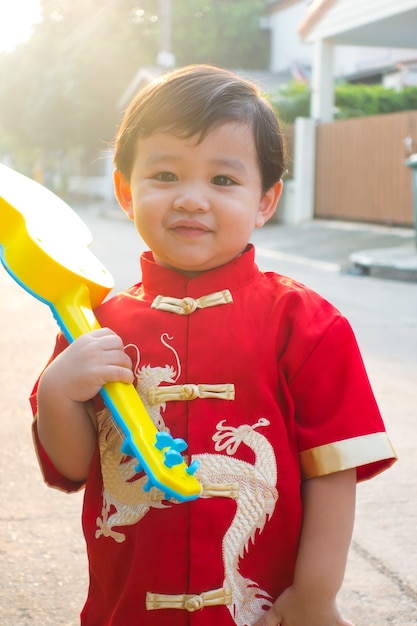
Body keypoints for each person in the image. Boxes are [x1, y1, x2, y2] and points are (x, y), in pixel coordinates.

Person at [30, 64, 396, 626]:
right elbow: (75, 466)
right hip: (127, 608)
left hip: (264, 609)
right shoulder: (92, 325)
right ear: (126, 191)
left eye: (223, 181)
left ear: (266, 200)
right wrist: (58, 389)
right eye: (166, 175)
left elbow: (331, 472)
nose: (192, 200)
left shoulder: (307, 323)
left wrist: (316, 595)